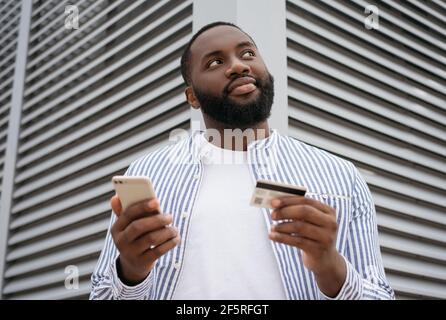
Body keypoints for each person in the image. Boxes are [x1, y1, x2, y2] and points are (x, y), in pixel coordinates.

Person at [90, 22, 394, 300]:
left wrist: (331, 268)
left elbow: (381, 295)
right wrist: (129, 272)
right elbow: (101, 294)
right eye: (215, 62)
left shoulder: (341, 177)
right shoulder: (148, 174)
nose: (237, 66)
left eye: (247, 53)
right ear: (192, 97)